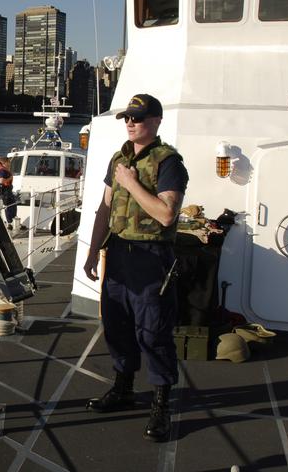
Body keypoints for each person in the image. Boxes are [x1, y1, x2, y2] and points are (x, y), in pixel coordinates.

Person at [82, 93, 189, 442]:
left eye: (138, 118)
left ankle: (161, 405)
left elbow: (166, 214)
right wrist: (92, 251)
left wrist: (131, 183)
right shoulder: (120, 159)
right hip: (118, 255)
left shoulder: (168, 162)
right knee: (117, 325)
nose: (130, 122)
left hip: (151, 258)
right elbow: (104, 209)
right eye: (127, 117)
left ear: (156, 121)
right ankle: (123, 388)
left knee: (153, 332)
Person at [0, 157, 17, 229]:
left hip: (7, 191)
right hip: (5, 192)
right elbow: (1, 181)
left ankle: (12, 221)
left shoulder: (4, 170)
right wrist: (10, 178)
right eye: (8, 162)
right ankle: (9, 223)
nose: (9, 164)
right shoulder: (2, 171)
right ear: (4, 163)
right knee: (9, 207)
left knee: (13, 206)